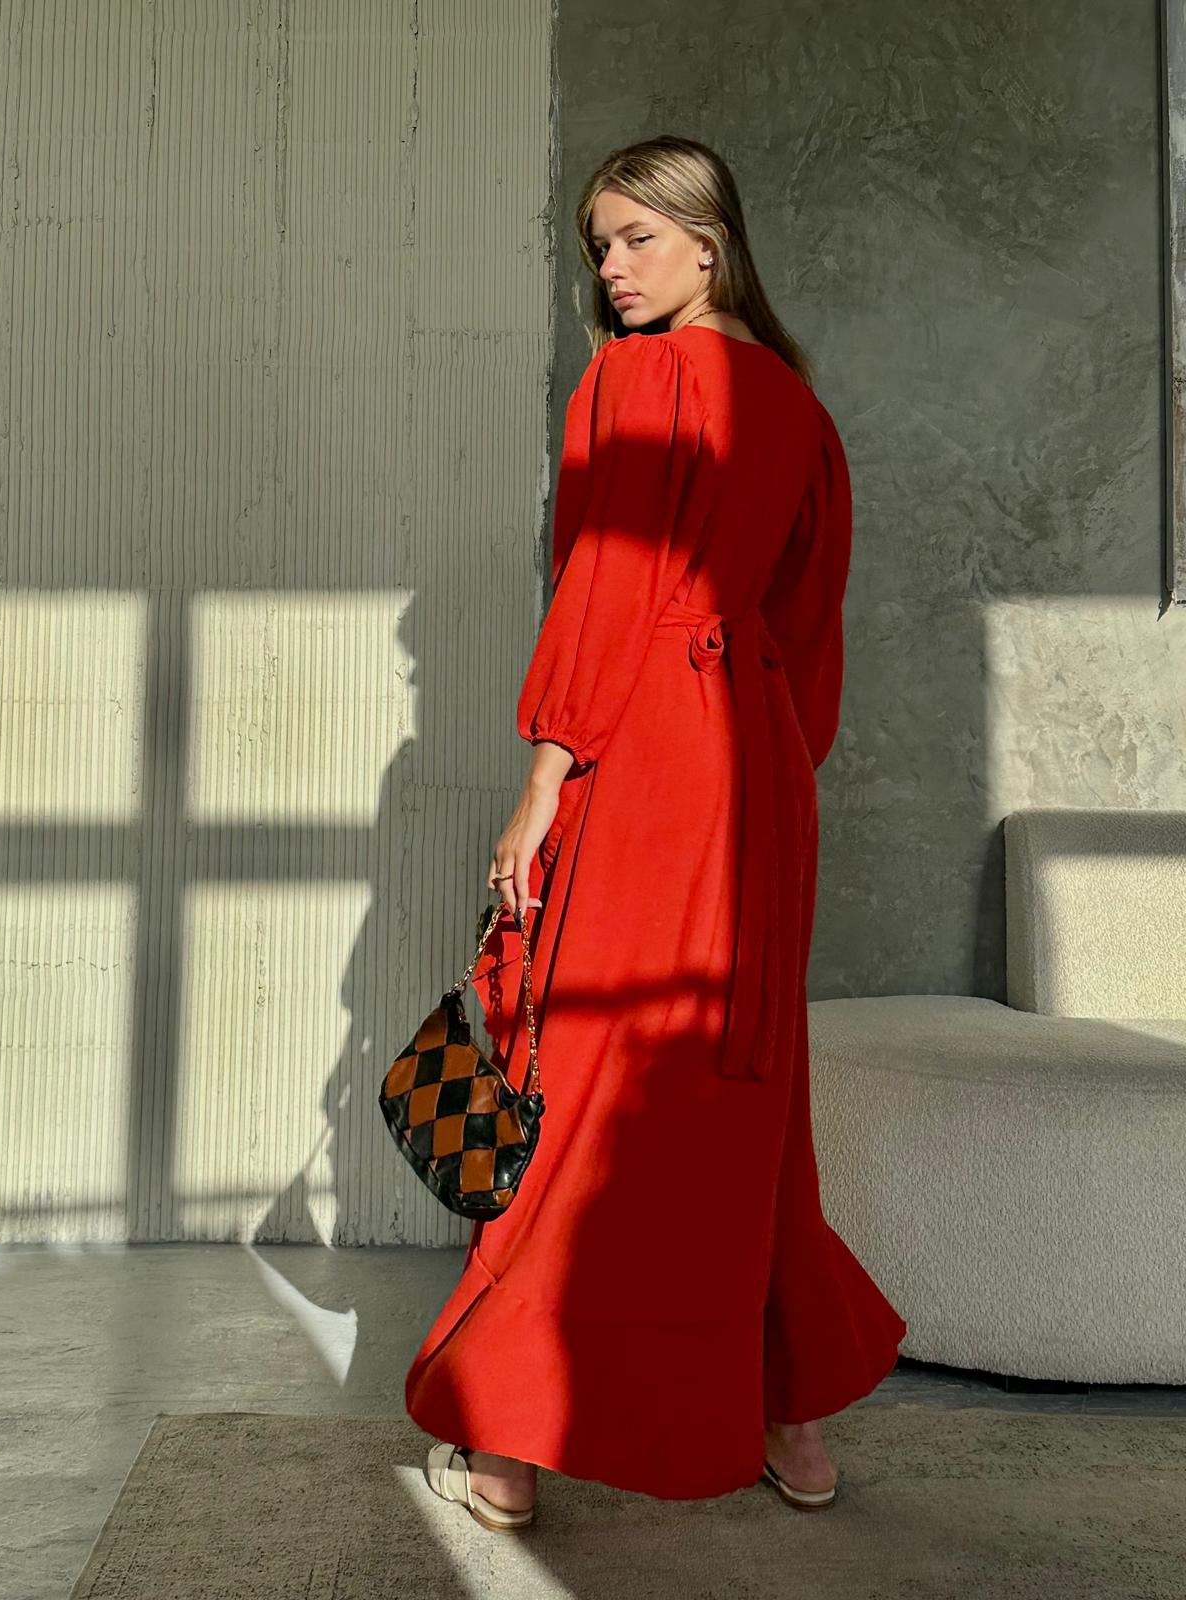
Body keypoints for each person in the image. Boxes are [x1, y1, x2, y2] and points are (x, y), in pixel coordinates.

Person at [408, 134, 907, 1534]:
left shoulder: (638, 380)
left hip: (647, 759)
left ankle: (508, 1443)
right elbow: (808, 623)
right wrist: (762, 746)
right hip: (759, 771)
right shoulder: (799, 410)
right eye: (600, 246)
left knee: (583, 1074)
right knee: (741, 1094)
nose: (613, 269)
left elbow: (606, 586)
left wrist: (547, 775)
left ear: (709, 239)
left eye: (637, 238)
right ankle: (792, 1427)